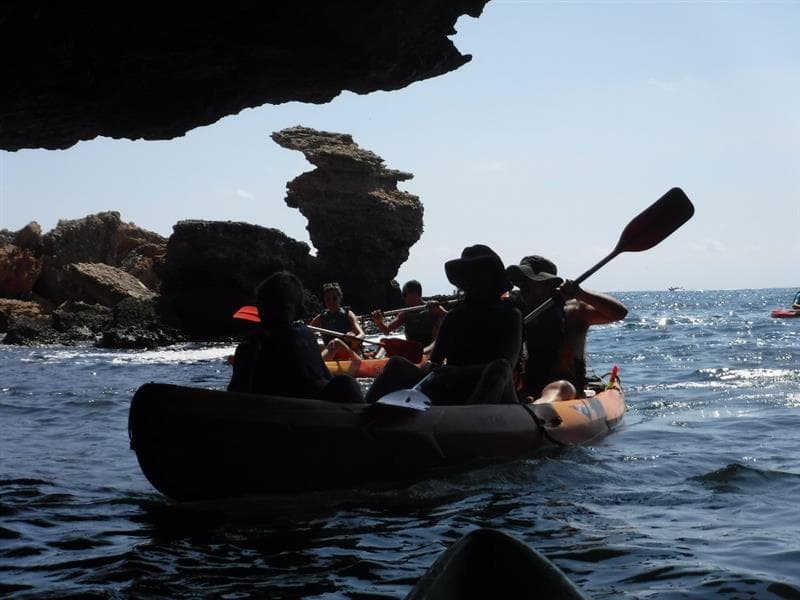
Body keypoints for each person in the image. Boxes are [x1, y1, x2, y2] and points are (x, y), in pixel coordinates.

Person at [366, 245, 522, 405]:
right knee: (397, 364)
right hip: (453, 386)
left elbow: (507, 366)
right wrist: (431, 370)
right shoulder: (456, 315)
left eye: (479, 274)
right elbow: (436, 361)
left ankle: (468, 423)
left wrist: (456, 372)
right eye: (469, 275)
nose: (473, 281)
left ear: (492, 278)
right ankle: (364, 411)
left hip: (492, 393)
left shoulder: (510, 315)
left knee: (499, 368)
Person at [228, 271, 363, 403]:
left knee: (344, 380)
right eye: (267, 307)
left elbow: (235, 397)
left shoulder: (249, 347)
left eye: (280, 308)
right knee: (345, 382)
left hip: (300, 410)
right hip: (301, 411)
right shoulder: (306, 335)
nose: (272, 314)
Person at [507, 255, 628, 400]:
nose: (523, 286)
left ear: (548, 284)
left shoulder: (574, 311)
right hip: (525, 388)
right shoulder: (513, 309)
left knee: (561, 387)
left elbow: (619, 313)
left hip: (565, 389)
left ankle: (538, 409)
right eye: (521, 280)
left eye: (529, 280)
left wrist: (580, 293)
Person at [370, 279, 448, 356]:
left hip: (432, 348)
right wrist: (378, 322)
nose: (403, 298)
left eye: (405, 294)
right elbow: (386, 330)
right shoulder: (405, 314)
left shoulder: (434, 308)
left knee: (439, 331)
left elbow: (451, 319)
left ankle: (425, 354)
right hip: (413, 350)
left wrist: (441, 311)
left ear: (414, 293)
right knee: (385, 344)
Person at [309, 282, 365, 362]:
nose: (331, 302)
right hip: (332, 356)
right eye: (328, 299)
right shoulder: (321, 317)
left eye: (334, 298)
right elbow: (307, 334)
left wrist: (354, 338)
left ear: (340, 298)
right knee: (315, 346)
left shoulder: (348, 314)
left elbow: (362, 334)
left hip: (350, 356)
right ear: (324, 300)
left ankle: (318, 367)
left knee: (336, 342)